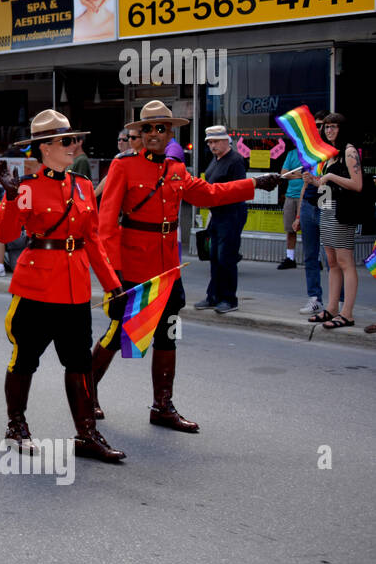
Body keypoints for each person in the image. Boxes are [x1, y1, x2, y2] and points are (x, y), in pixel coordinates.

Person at [93, 101, 280, 431]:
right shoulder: (123, 167)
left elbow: (210, 194)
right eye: (147, 128)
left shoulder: (176, 170)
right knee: (118, 333)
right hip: (133, 269)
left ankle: (162, 406)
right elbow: (106, 226)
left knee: (168, 335)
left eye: (161, 128)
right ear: (139, 133)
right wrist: (114, 277)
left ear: (170, 133)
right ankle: (86, 393)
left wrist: (255, 183)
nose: (154, 133)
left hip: (168, 268)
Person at [0, 110, 127, 462]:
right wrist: (9, 199)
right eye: (67, 141)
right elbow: (5, 235)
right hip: (36, 286)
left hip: (75, 287)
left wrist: (113, 286)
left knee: (80, 363)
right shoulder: (26, 188)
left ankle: (86, 435)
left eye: (75, 139)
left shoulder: (83, 186)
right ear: (44, 148)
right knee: (25, 359)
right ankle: (16, 425)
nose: (74, 146)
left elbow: (94, 241)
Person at [309, 113, 364, 330]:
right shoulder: (330, 154)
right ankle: (332, 308)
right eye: (327, 127)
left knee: (345, 262)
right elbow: (326, 186)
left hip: (343, 212)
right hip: (327, 209)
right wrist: (314, 181)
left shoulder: (349, 151)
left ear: (343, 129)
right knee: (331, 262)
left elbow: (357, 184)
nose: (329, 130)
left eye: (334, 127)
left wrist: (329, 177)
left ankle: (347, 313)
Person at [193, 125, 249, 314]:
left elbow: (238, 190)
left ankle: (229, 299)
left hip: (231, 213)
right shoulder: (215, 160)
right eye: (209, 142)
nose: (212, 145)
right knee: (215, 256)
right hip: (217, 213)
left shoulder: (236, 160)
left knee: (226, 257)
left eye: (216, 141)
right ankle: (213, 296)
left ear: (226, 141)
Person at [293, 124, 328, 316]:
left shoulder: (332, 153)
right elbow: (305, 187)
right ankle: (315, 298)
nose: (322, 130)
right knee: (310, 255)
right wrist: (299, 215)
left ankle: (337, 301)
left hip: (326, 200)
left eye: (324, 126)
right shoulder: (310, 156)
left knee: (329, 255)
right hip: (308, 203)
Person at [278, 146, 303, 270]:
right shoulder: (291, 153)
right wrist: (299, 175)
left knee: (309, 230)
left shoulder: (311, 155)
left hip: (306, 196)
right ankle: (290, 258)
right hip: (290, 195)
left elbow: (312, 175)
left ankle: (316, 258)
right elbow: (283, 173)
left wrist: (291, 173)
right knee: (290, 229)